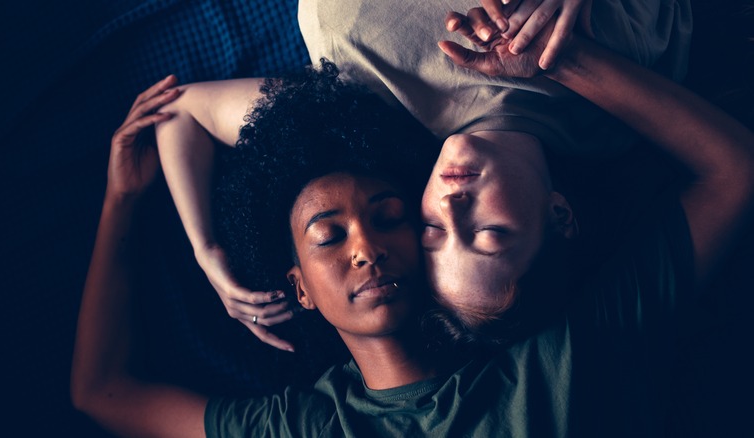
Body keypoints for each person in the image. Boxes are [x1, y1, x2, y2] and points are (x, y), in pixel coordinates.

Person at [73, 21, 754, 437]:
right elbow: (101, 396)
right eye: (329, 237)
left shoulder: (557, 364)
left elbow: (102, 391)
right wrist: (124, 200)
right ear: (297, 287)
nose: (367, 251)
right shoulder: (315, 426)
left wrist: (121, 202)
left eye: (394, 219)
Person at [156, 0, 694, 349]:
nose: (452, 205)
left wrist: (206, 250)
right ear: (559, 214)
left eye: (433, 231)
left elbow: (181, 112)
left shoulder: (364, 122)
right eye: (489, 233)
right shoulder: (613, 97)